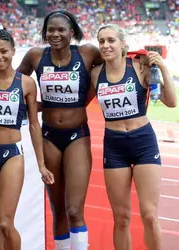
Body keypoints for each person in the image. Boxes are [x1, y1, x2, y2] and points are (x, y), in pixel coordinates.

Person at [0, 10, 102, 250]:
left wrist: (85, 98)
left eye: (61, 29)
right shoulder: (35, 56)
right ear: (44, 33)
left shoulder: (87, 53)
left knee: (74, 210)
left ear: (71, 32)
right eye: (50, 30)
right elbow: (9, 79)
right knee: (58, 210)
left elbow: (107, 71)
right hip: (49, 136)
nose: (55, 34)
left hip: (78, 135)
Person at [91, 23, 177, 250]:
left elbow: (171, 102)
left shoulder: (140, 67)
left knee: (149, 215)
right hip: (114, 145)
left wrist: (163, 68)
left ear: (123, 44)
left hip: (143, 142)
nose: (106, 45)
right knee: (121, 218)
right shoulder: (95, 74)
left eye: (111, 40)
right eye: (101, 41)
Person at [0, 25, 54, 250]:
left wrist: (41, 165)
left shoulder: (26, 83)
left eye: (4, 51)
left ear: (13, 50)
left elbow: (34, 126)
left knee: (7, 223)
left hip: (12, 154)